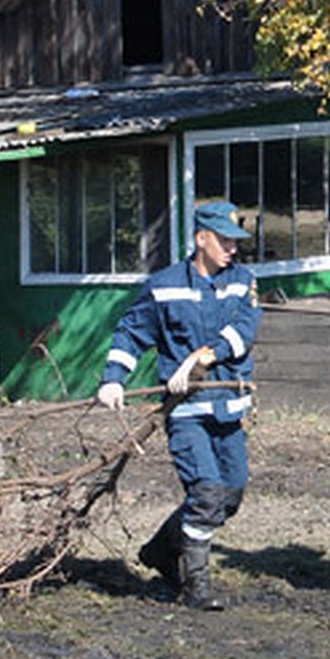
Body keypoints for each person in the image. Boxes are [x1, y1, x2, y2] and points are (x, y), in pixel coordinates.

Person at [96, 199, 262, 610]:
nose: (232, 249)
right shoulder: (164, 284)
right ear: (201, 238)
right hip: (186, 412)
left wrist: (205, 354)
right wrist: (113, 380)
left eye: (235, 241)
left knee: (230, 495)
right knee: (206, 490)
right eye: (224, 240)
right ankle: (195, 585)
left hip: (228, 406)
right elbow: (131, 335)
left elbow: (245, 329)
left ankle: (159, 550)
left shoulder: (243, 280)